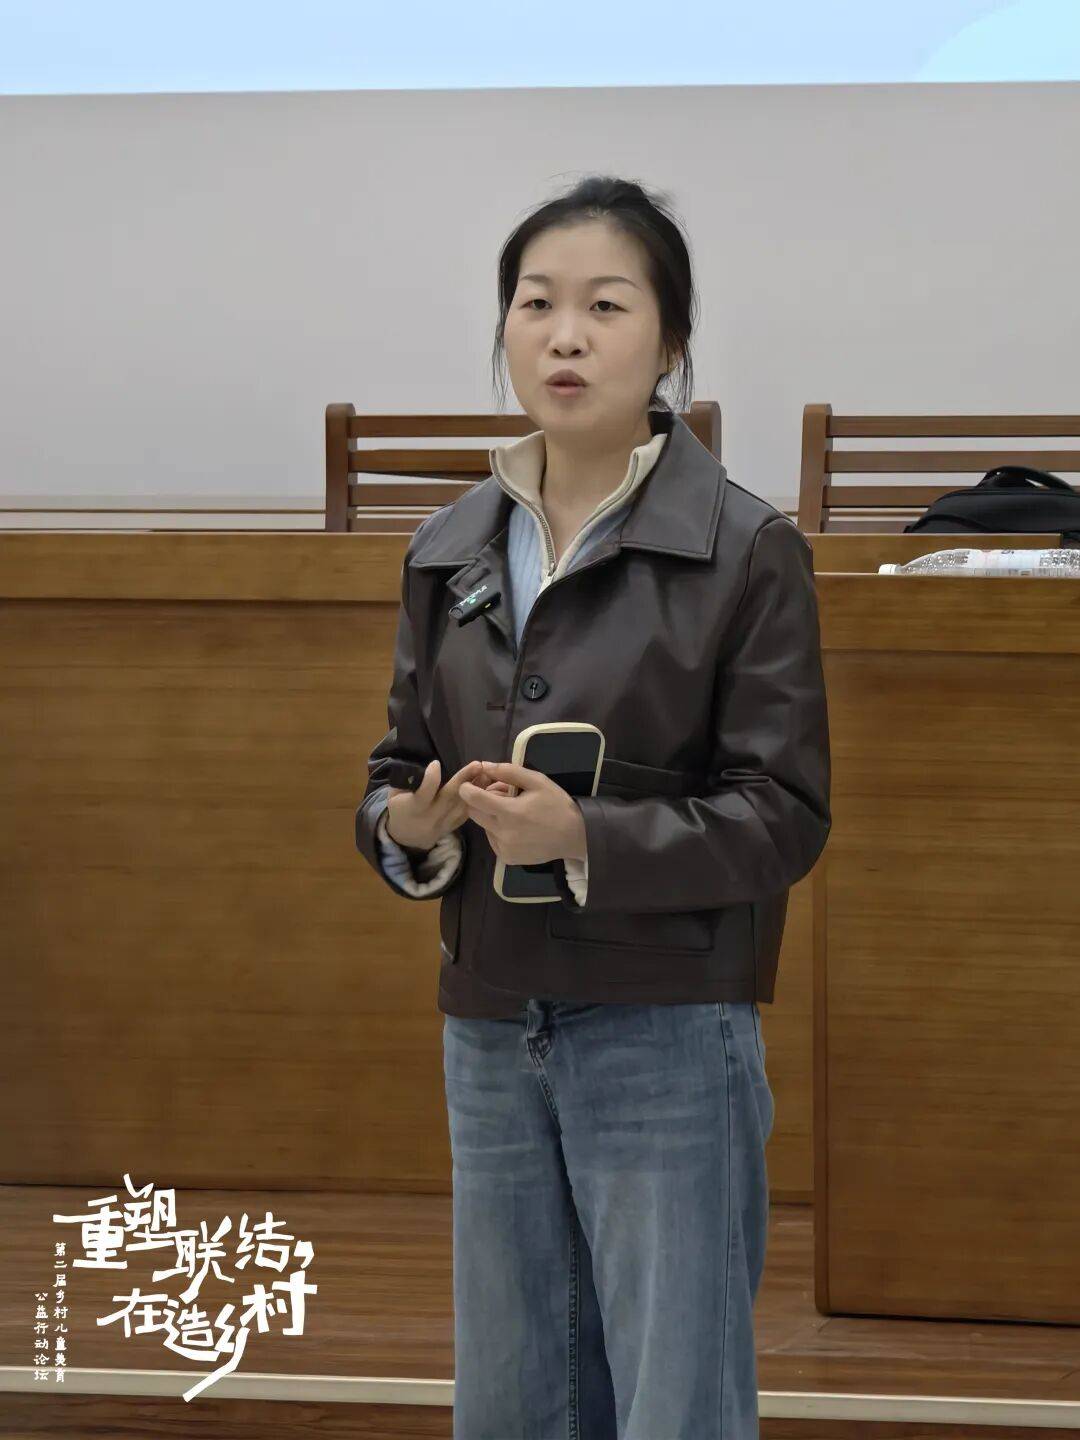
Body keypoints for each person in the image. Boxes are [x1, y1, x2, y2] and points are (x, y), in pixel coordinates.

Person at [355, 175, 831, 1439]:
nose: (564, 336)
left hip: (665, 1025)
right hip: (490, 1019)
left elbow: (783, 814)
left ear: (670, 342)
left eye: (606, 306)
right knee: (514, 1393)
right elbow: (395, 765)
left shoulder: (745, 548)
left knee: (678, 1399)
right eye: (536, 303)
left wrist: (585, 840)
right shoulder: (448, 547)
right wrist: (408, 830)